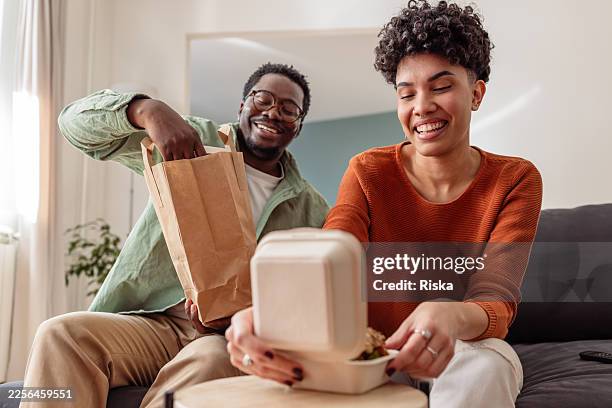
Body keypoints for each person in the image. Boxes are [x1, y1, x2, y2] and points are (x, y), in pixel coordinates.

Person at [225, 2, 542, 407]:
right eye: (406, 93)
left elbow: (496, 300)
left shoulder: (515, 179)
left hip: (466, 348)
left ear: (476, 93)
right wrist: (269, 317)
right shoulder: (368, 170)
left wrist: (446, 314)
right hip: (371, 357)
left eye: (441, 87)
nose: (421, 106)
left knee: (485, 368)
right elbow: (332, 250)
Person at [21, 63, 328, 408]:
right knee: (59, 333)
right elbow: (72, 125)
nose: (273, 112)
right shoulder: (192, 139)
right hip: (150, 321)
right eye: (263, 99)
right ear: (242, 106)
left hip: (222, 338)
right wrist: (147, 110)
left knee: (213, 360)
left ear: (298, 127)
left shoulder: (312, 210)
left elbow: (304, 303)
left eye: (289, 110)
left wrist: (241, 320)